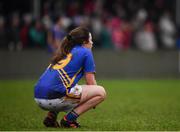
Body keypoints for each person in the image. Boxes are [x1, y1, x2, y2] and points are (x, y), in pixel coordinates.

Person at [34, 27, 106, 128]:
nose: (92, 43)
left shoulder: (65, 50)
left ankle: (51, 117)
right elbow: (91, 83)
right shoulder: (86, 52)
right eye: (90, 40)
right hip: (54, 98)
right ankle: (69, 120)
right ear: (84, 42)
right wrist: (93, 102)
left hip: (37, 96)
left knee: (67, 85)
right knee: (101, 92)